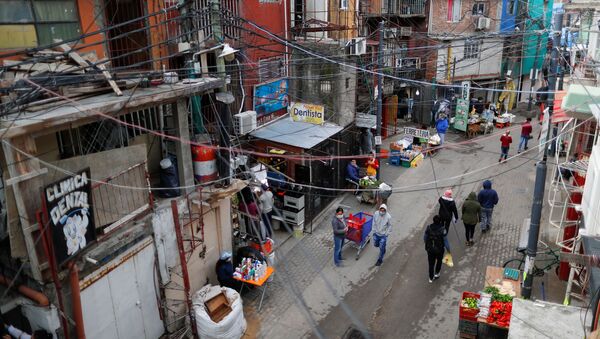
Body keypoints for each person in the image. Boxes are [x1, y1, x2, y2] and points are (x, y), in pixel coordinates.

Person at [424, 215, 447, 283]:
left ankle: (431, 278)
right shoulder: (443, 229)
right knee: (439, 261)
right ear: (440, 221)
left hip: (430, 249)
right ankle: (437, 273)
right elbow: (445, 240)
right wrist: (448, 249)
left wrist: (428, 244)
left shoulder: (428, 228)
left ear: (433, 220)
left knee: (431, 264)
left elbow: (425, 238)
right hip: (440, 250)